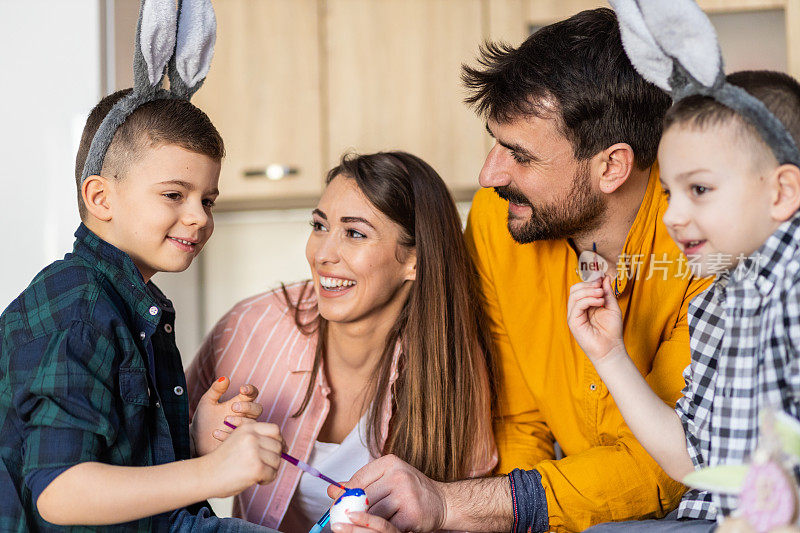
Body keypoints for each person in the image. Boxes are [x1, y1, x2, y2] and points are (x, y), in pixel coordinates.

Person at [325, 8, 712, 533]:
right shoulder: (499, 220)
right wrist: (499, 513)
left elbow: (673, 464)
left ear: (610, 167)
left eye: (520, 155)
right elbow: (515, 418)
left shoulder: (711, 249)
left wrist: (451, 505)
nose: (490, 174)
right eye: (495, 141)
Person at [0, 89, 284, 531]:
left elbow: (119, 465)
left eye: (207, 201)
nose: (200, 217)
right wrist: (211, 473)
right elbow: (60, 492)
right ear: (100, 198)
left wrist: (191, 444)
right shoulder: (79, 307)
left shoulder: (128, 304)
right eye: (174, 194)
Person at [186, 151, 498, 531]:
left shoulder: (454, 370)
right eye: (319, 226)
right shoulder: (250, 329)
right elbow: (147, 463)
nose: (322, 254)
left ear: (414, 261)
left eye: (354, 233)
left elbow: (472, 516)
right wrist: (194, 445)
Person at [569, 70, 800, 531]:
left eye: (699, 190)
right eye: (670, 194)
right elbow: (691, 458)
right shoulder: (719, 299)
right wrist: (610, 354)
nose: (673, 216)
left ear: (781, 192)